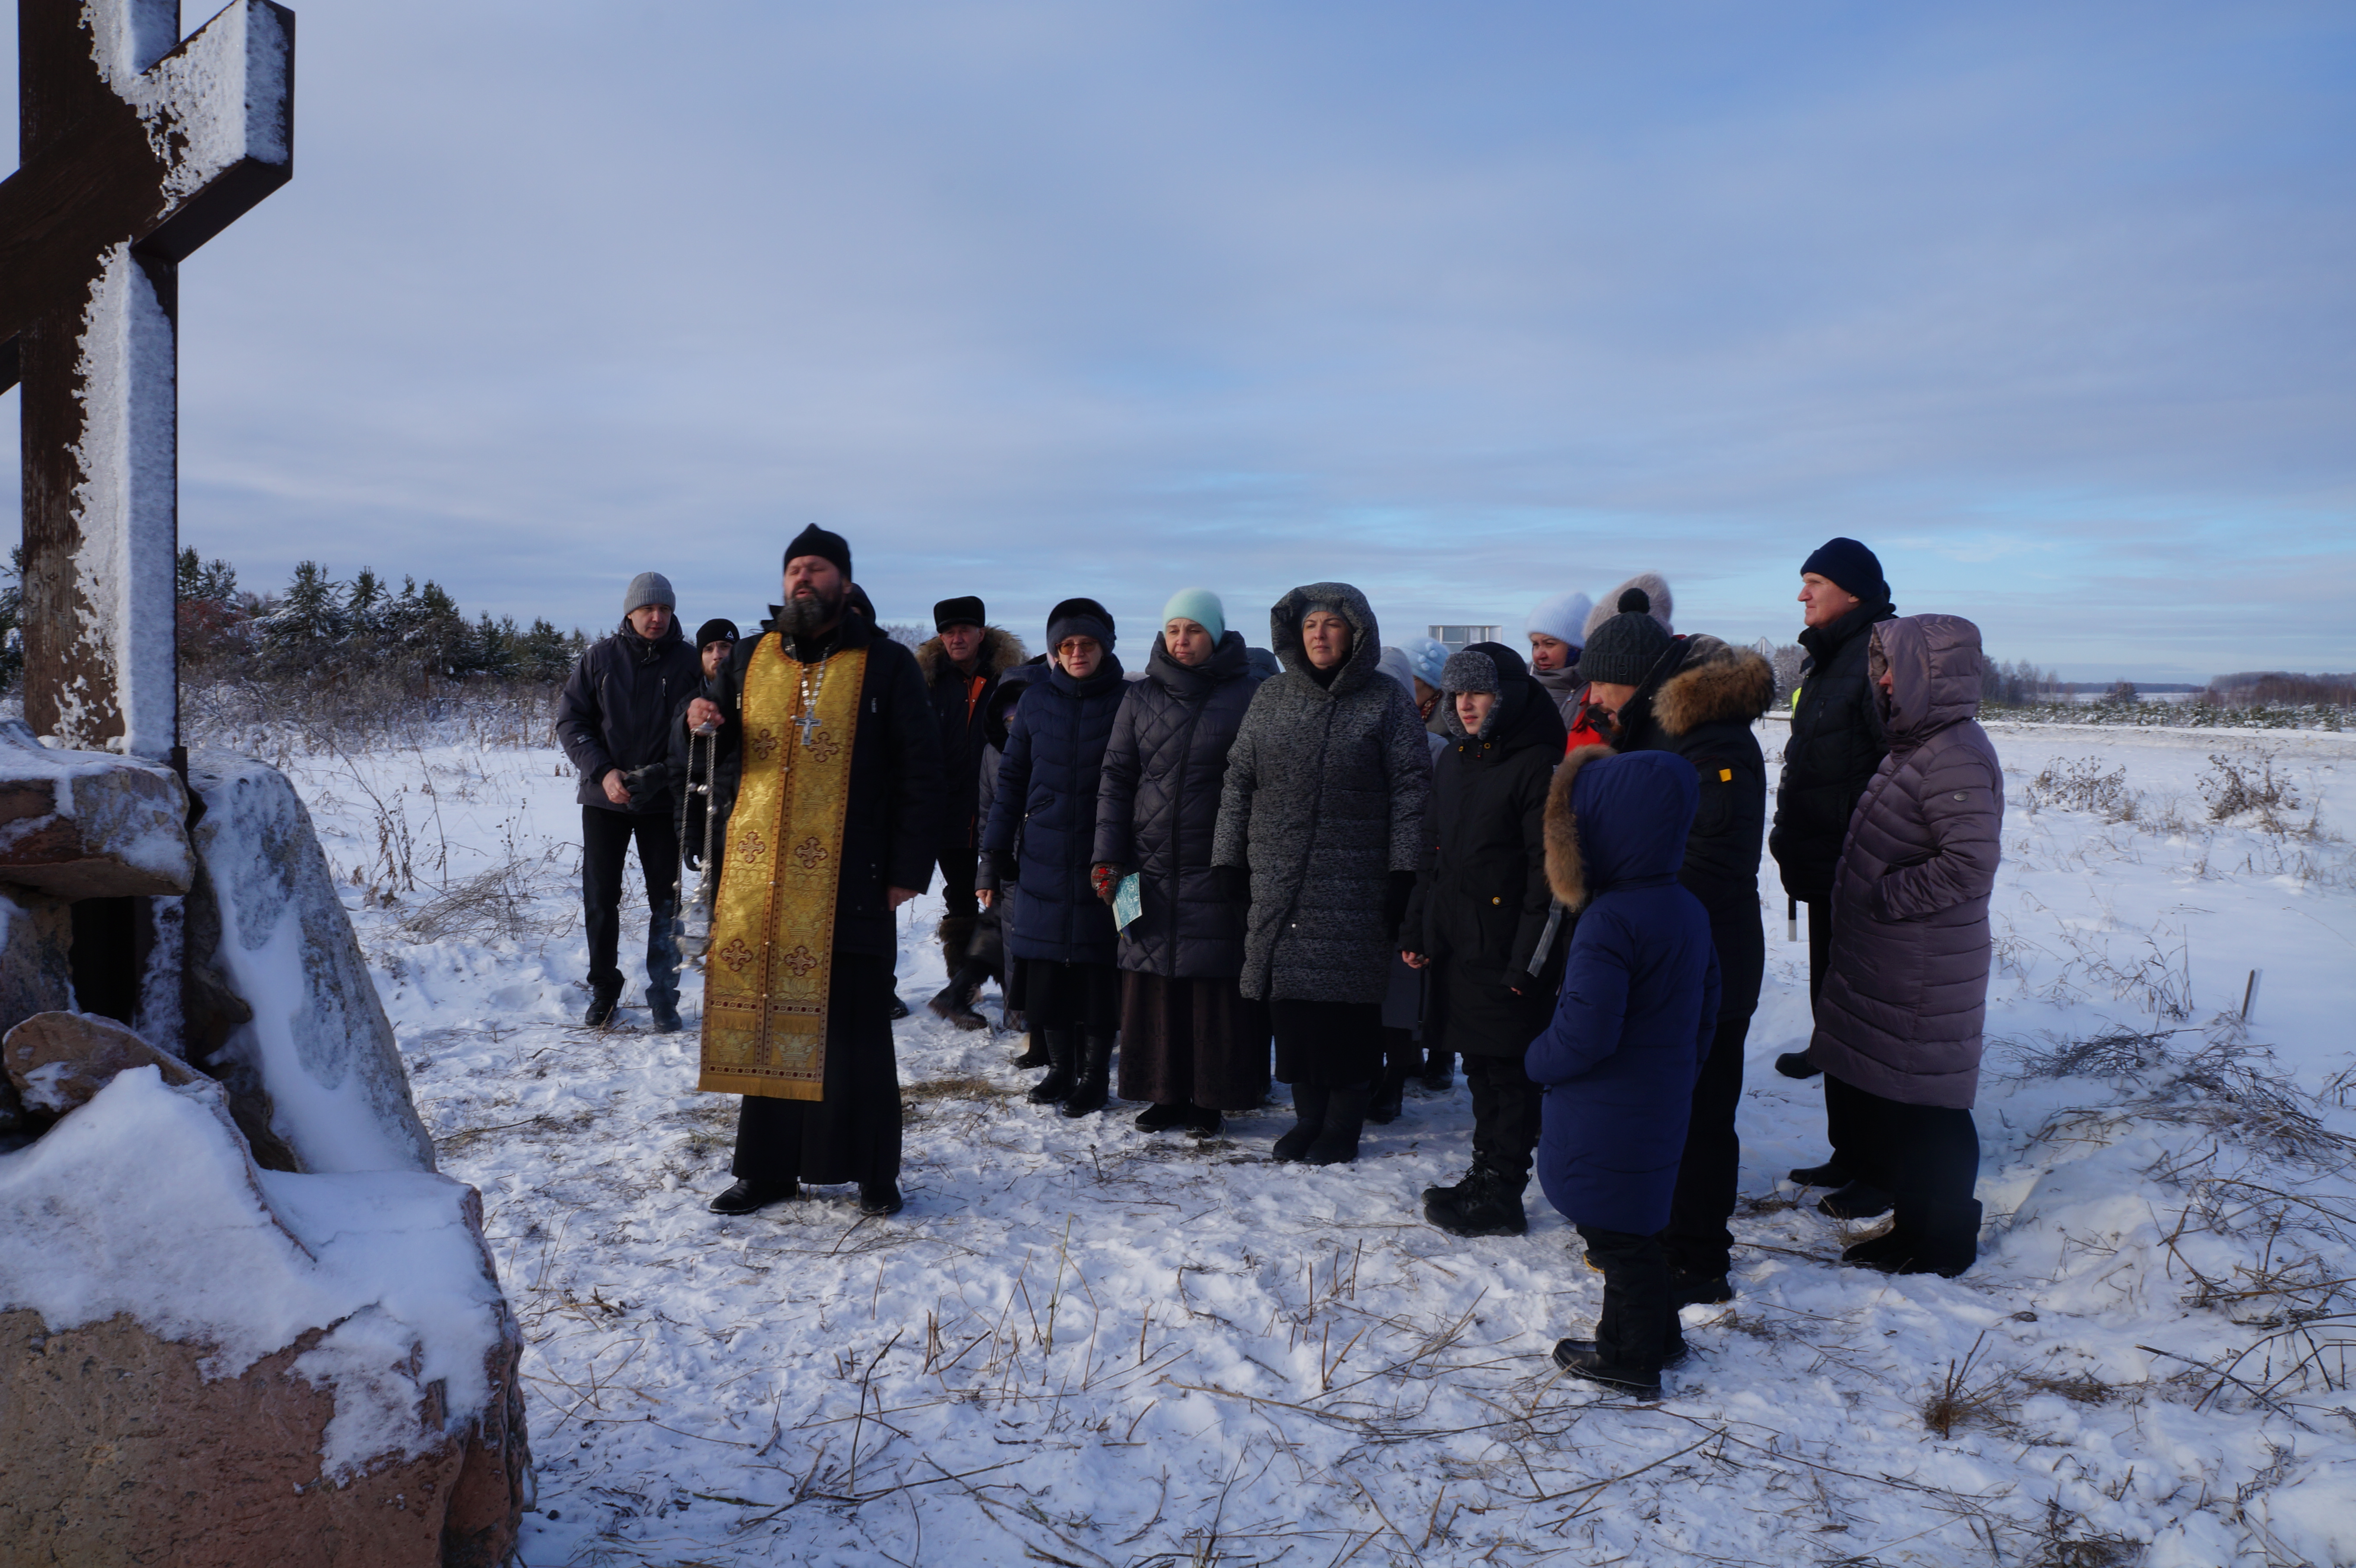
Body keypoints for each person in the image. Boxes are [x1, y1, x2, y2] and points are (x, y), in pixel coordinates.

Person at [688, 526, 941, 1219]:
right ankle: (766, 1170)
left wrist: (906, 870)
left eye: (817, 569)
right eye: (794, 569)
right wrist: (702, 714)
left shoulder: (886, 664)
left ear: (845, 583)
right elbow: (724, 751)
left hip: (852, 875)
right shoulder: (747, 656)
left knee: (856, 1029)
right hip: (761, 877)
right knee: (769, 1021)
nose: (803, 578)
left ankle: (873, 1172)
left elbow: (922, 771)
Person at [1579, 588, 1775, 1307]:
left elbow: (1709, 864)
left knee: (1699, 1114)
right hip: (1666, 961)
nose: (1592, 695)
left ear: (1634, 676)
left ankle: (1698, 1257)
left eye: (1600, 681)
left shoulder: (1711, 741)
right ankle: (1660, 1235)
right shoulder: (1652, 734)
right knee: (1665, 1109)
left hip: (1706, 966)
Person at [1807, 614, 2001, 1278]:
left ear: (1932, 673)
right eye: (1881, 665)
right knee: (1911, 1107)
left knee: (1935, 1111)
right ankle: (1914, 1228)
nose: (1884, 679)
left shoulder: (1955, 753)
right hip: (1906, 960)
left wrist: (1885, 898)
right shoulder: (1919, 745)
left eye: (1895, 666)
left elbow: (1969, 864)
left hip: (1926, 966)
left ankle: (1942, 1243)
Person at [1212, 584, 1428, 1166]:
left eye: (1332, 624)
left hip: (1356, 883)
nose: (1319, 635)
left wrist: (1404, 871)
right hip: (1279, 879)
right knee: (1293, 1007)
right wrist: (1228, 857)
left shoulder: (1386, 701)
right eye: (1310, 626)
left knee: (1347, 1013)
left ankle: (1343, 1124)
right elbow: (1238, 781)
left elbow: (1411, 789)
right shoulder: (1272, 698)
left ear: (1356, 633)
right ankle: (1308, 1119)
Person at [1530, 748, 1720, 1400]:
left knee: (1619, 1242)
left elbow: (1586, 1031)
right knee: (1639, 1228)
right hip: (1658, 1100)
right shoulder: (1685, 908)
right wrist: (1682, 1072)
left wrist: (1538, 1059)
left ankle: (1629, 1356)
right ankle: (1659, 1335)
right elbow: (1708, 1007)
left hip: (1606, 1111)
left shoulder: (1610, 920)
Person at [1404, 642, 1570, 1236]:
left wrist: (1530, 964)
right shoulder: (1456, 760)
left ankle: (1503, 1189)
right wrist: (1419, 925)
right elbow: (1434, 854)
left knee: (1510, 1076)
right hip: (1459, 945)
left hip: (1509, 953)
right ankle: (1485, 1175)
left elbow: (1549, 878)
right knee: (1480, 1069)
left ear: (1507, 695)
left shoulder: (1538, 765)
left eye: (1479, 692)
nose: (1466, 705)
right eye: (1457, 694)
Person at [1092, 589, 1268, 1135]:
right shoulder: (1139, 696)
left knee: (1210, 982)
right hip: (1144, 863)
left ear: (1214, 634)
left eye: (1193, 629)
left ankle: (1210, 1098)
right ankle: (1162, 1092)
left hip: (1216, 861)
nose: (1182, 640)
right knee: (1151, 979)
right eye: (1173, 630)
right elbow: (1116, 777)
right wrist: (1107, 857)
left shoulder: (1248, 693)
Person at [1767, 538, 1900, 1219]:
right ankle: (1849, 1154)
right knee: (1835, 1018)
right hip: (1827, 873)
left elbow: (1896, 770)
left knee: (1866, 1026)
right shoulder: (1828, 660)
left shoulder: (1879, 657)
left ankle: (1883, 1170)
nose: (1802, 595)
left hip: (1864, 876)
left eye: (1814, 582)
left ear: (1852, 590)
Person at [980, 598, 1127, 1116]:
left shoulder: (1132, 699)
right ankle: (1060, 1068)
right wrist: (995, 850)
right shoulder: (1037, 702)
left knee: (1098, 970)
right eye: (1065, 645)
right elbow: (1012, 779)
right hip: (1042, 853)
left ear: (1104, 646)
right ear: (1054, 653)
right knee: (1049, 969)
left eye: (1086, 644)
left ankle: (1092, 1077)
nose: (1076, 653)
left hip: (1109, 855)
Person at [555, 572, 704, 1031]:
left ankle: (664, 993)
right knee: (601, 898)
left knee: (666, 899)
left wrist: (659, 777)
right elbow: (571, 721)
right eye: (647, 610)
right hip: (604, 802)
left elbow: (694, 734)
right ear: (630, 612)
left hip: (661, 802)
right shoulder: (599, 659)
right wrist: (603, 772)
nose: (656, 618)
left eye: (664, 610)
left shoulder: (689, 662)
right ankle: (604, 988)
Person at [916, 597, 1027, 1030]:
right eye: (948, 631)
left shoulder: (1008, 679)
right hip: (946, 812)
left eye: (965, 629)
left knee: (1002, 898)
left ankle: (983, 986)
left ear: (982, 633)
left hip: (999, 808)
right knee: (960, 897)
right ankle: (965, 987)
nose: (956, 638)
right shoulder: (926, 683)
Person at [1370, 645, 1446, 1119]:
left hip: (1412, 878)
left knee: (1402, 985)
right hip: (1358, 877)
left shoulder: (1434, 750)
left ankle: (1395, 1076)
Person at [975, 656, 1051, 1059]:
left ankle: (1056, 1030)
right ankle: (1026, 1026)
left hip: (1051, 860)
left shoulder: (1055, 741)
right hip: (1010, 867)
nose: (1015, 717)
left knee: (1052, 951)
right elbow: (989, 814)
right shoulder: (993, 751)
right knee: (1014, 946)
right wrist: (986, 872)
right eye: (1008, 709)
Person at [672, 617, 738, 882]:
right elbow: (680, 776)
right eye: (709, 649)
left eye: (725, 646)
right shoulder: (689, 707)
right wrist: (688, 834)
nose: (717, 655)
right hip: (714, 830)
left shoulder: (759, 698)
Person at [1523, 590, 1593, 727]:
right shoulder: (1522, 689)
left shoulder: (1600, 692)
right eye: (1535, 645)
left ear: (1577, 647)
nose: (1539, 655)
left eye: (1550, 644)